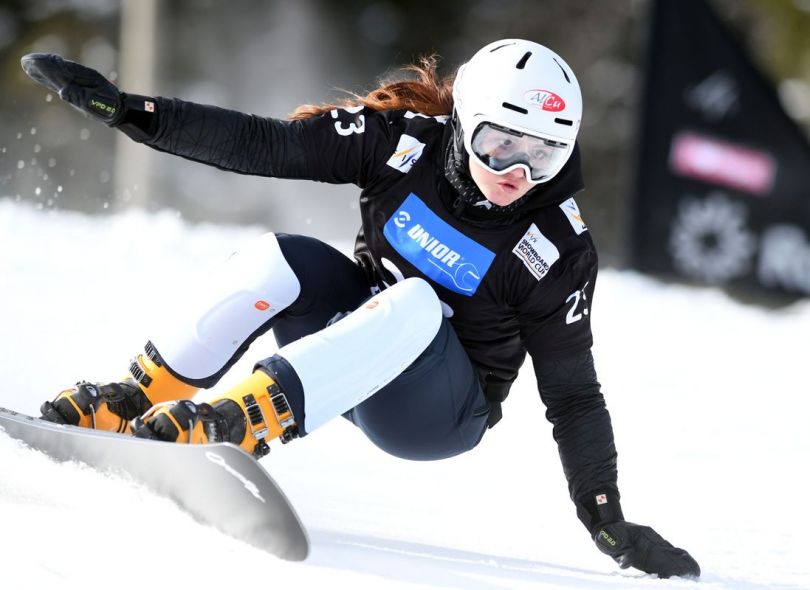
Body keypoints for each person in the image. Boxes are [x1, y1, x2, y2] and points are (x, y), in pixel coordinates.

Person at [21, 39, 700, 578]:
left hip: (432, 414)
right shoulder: (402, 143)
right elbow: (263, 144)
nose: (516, 173)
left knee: (417, 303)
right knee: (279, 256)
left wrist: (605, 518)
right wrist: (133, 113)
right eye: (500, 144)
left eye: (544, 156)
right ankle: (133, 399)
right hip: (344, 354)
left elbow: (574, 396)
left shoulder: (554, 247)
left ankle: (236, 423)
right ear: (464, 122)